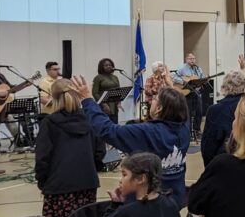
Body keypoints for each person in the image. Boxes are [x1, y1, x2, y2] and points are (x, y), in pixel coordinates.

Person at [74, 78, 191, 206]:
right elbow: (181, 105)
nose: (150, 101)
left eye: (154, 100)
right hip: (175, 199)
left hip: (147, 204)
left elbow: (107, 130)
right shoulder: (184, 128)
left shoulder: (146, 132)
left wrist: (87, 100)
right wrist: (170, 87)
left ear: (159, 109)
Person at [34, 79, 100, 217]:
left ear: (53, 97)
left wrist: (42, 181)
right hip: (87, 182)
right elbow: (100, 152)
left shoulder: (49, 122)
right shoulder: (89, 119)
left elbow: (43, 156)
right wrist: (93, 169)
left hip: (59, 185)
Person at [201, 63, 245, 166]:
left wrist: (210, 169)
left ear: (224, 86)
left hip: (224, 162)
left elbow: (208, 145)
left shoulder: (215, 110)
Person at [173, 53, 207, 139]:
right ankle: (187, 132)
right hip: (187, 93)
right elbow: (173, 77)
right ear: (186, 60)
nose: (192, 60)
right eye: (190, 58)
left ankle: (197, 130)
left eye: (194, 58)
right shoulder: (182, 68)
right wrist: (183, 81)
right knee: (187, 112)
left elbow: (202, 77)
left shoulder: (198, 69)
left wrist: (204, 80)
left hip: (196, 92)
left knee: (199, 111)